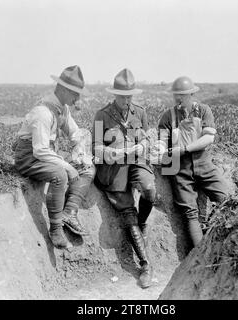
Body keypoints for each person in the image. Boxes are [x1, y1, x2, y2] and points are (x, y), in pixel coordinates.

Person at [13, 65, 95, 249]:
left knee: (88, 167)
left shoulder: (62, 109)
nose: (77, 99)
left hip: (48, 154)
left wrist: (81, 152)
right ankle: (56, 229)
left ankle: (69, 212)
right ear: (64, 90)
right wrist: (68, 166)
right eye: (75, 94)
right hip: (30, 158)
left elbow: (75, 134)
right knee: (60, 174)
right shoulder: (43, 112)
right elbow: (40, 150)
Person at [92, 68, 155, 288]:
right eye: (122, 96)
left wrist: (142, 145)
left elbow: (147, 138)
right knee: (128, 211)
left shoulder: (140, 112)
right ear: (114, 94)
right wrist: (113, 153)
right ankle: (145, 265)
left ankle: (143, 223)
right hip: (115, 167)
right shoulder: (102, 115)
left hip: (136, 161)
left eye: (129, 96)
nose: (126, 100)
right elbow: (96, 147)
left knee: (149, 190)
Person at [157, 76, 228, 247]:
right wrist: (159, 151)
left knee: (225, 199)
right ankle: (198, 256)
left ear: (191, 94)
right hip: (180, 170)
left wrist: (184, 149)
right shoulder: (168, 117)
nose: (178, 98)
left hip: (204, 164)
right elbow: (161, 141)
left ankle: (217, 238)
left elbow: (208, 138)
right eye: (176, 95)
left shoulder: (203, 110)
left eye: (182, 94)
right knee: (190, 213)